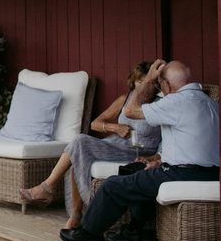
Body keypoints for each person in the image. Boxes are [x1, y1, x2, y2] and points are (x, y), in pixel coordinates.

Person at [59, 59, 220, 241]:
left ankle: (89, 233)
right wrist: (158, 161)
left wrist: (148, 80)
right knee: (137, 171)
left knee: (112, 185)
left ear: (166, 84)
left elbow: (130, 110)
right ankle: (132, 231)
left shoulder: (175, 101)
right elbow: (189, 144)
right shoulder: (210, 103)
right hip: (211, 173)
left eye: (159, 84)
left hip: (182, 173)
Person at [19, 61, 162, 229]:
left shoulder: (159, 106)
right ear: (133, 82)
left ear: (156, 84)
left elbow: (166, 139)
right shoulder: (125, 100)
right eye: (140, 82)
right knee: (76, 156)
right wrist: (114, 127)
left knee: (79, 142)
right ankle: (76, 215)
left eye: (149, 82)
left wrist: (155, 157)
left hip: (136, 153)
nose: (144, 87)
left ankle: (50, 189)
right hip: (115, 145)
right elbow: (95, 123)